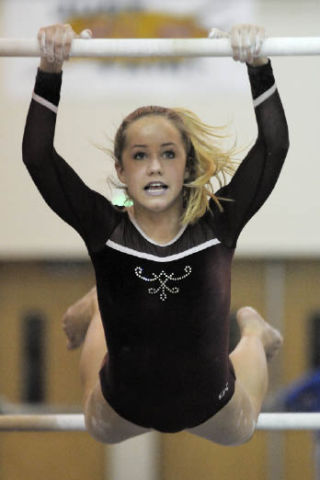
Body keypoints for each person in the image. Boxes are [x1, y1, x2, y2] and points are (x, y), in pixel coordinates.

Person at [23, 23, 288, 445]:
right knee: (99, 426)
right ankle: (98, 304)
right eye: (140, 156)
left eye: (168, 154)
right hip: (119, 409)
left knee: (242, 429)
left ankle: (254, 329)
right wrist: (50, 67)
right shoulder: (105, 226)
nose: (154, 167)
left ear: (187, 166)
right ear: (121, 171)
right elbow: (38, 156)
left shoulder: (218, 223)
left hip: (213, 406)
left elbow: (273, 147)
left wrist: (257, 62)